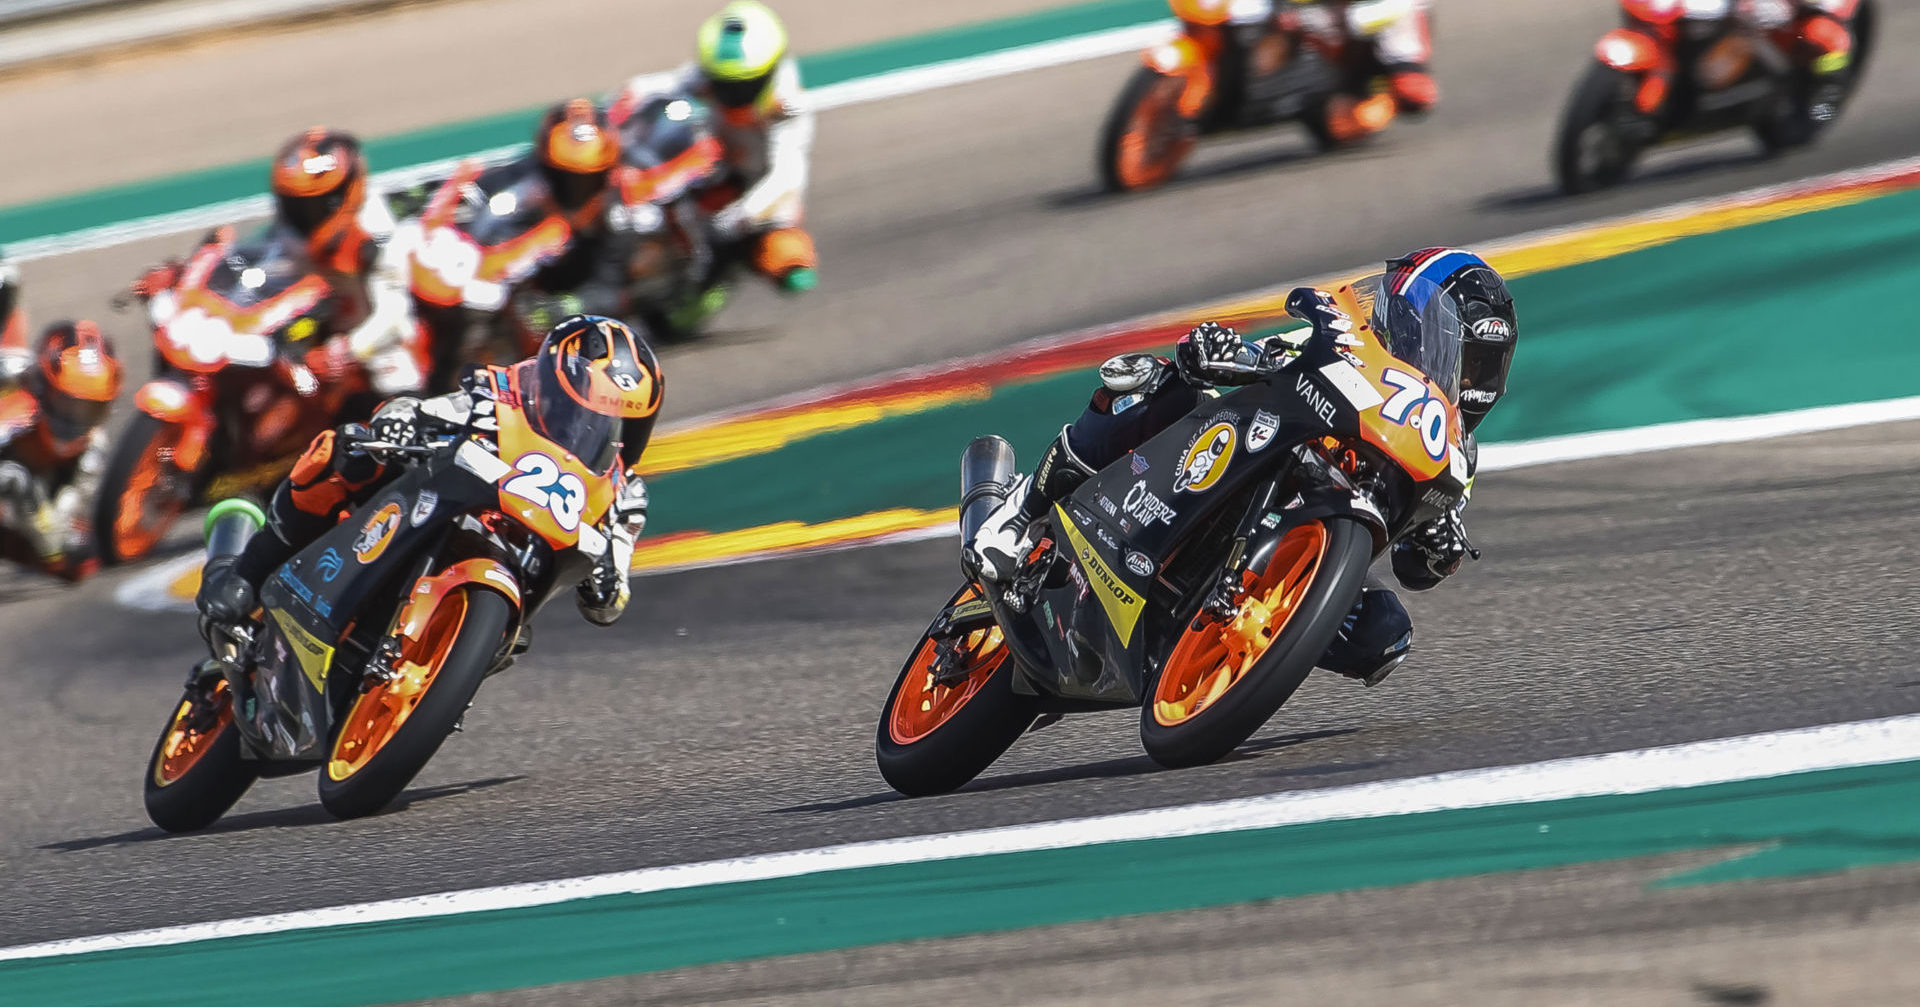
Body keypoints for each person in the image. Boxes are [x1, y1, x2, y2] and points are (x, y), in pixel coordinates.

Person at [966, 248, 1517, 686]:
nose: (1468, 377)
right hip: (1222, 466)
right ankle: (1018, 512)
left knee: (1384, 633)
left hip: (1291, 548)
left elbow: (1412, 569)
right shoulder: (1346, 346)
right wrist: (1228, 353)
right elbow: (1254, 357)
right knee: (1162, 387)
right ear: (1411, 321)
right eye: (1459, 352)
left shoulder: (1454, 456)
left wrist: (1437, 548)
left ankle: (1225, 664)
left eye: (1483, 365)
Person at [195, 314, 662, 633]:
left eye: (626, 422)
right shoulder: (500, 394)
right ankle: (245, 573)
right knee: (344, 450)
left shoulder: (626, 496)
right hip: (443, 502)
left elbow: (612, 593)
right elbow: (420, 408)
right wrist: (399, 420)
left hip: (513, 576)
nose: (606, 429)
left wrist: (609, 586)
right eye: (593, 408)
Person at [614, 1, 818, 303]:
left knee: (787, 256)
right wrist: (622, 104)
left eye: (744, 87)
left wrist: (735, 219)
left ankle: (725, 267)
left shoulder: (787, 106)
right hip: (717, 164)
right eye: (723, 84)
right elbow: (668, 87)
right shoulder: (710, 73)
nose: (731, 94)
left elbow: (786, 179)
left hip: (757, 189)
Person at [266, 128, 429, 397]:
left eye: (311, 207)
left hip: (378, 341)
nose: (301, 217)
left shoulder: (380, 232)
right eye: (293, 205)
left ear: (340, 197)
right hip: (325, 328)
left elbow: (394, 315)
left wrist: (342, 352)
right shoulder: (290, 232)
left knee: (397, 382)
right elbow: (265, 267)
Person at [0, 260, 124, 581]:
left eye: (87, 410)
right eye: (66, 404)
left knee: (70, 553)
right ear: (43, 384)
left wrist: (43, 522)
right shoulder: (18, 375)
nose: (75, 419)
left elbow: (63, 527)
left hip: (46, 525)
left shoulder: (92, 447)